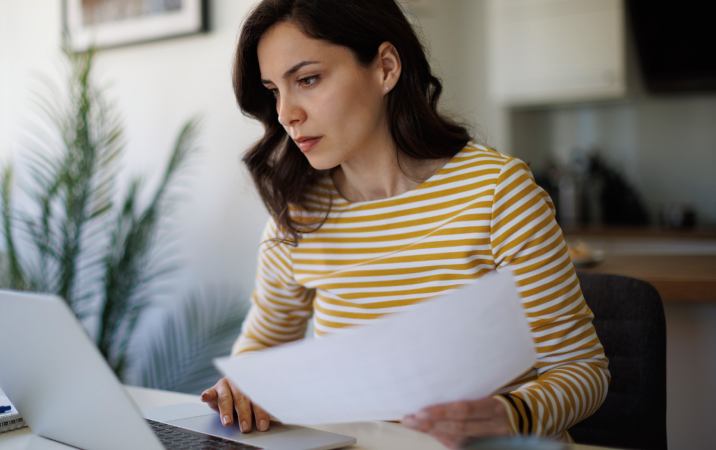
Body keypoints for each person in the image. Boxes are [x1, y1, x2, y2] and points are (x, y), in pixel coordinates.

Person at [200, 0, 610, 448]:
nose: (286, 114)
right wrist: (238, 393)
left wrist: (508, 414)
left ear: (386, 68)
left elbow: (583, 370)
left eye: (307, 79)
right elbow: (258, 356)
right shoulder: (297, 216)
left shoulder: (497, 193)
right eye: (274, 91)